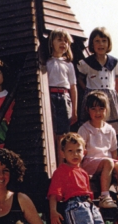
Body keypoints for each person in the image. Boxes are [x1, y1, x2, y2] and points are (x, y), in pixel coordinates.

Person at [76, 27, 118, 144]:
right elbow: (80, 79)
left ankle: (109, 145)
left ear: (108, 43)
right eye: (97, 41)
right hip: (93, 97)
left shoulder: (114, 63)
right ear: (92, 44)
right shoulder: (87, 63)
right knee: (93, 122)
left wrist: (114, 95)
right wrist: (88, 90)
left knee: (110, 125)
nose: (101, 44)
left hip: (109, 97)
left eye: (104, 41)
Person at [77, 91, 118, 209]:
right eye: (94, 109)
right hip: (89, 162)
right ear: (87, 110)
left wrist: (114, 167)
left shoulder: (110, 129)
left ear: (106, 110)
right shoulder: (84, 129)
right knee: (108, 162)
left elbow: (113, 151)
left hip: (106, 163)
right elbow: (79, 151)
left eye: (101, 109)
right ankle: (104, 197)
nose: (98, 112)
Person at [45, 29, 78, 161]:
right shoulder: (46, 62)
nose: (63, 43)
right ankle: (52, 163)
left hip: (64, 97)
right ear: (52, 43)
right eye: (59, 40)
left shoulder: (68, 64)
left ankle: (61, 163)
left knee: (62, 135)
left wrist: (74, 110)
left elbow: (73, 87)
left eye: (66, 41)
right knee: (51, 131)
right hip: (50, 96)